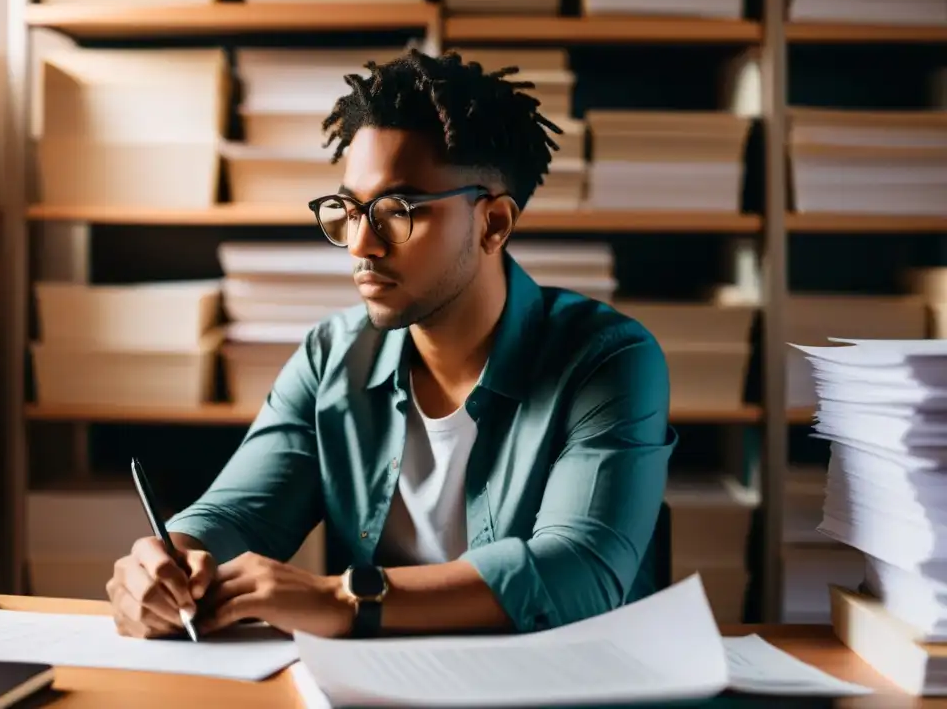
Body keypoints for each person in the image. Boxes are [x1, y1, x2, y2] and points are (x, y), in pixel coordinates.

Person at [106, 49, 677, 641]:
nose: (360, 244)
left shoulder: (608, 360)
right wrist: (172, 563)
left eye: (396, 212)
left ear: (493, 224)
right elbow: (238, 512)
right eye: (349, 210)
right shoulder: (331, 358)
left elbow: (579, 570)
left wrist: (345, 599)